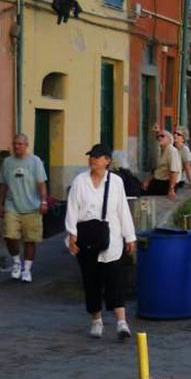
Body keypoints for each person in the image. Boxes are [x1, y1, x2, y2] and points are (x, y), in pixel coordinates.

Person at [65, 144, 137, 340]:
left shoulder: (115, 182)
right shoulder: (80, 181)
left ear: (107, 160)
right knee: (91, 280)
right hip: (86, 238)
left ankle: (121, 322)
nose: (93, 160)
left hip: (111, 237)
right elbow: (72, 208)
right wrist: (72, 234)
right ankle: (96, 320)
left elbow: (122, 209)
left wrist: (129, 236)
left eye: (97, 157)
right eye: (91, 156)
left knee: (115, 279)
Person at [0, 133, 49, 283]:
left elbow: (41, 183)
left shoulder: (35, 161)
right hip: (12, 204)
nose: (17, 147)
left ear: (26, 146)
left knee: (30, 239)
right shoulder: (7, 162)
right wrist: (0, 204)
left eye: (20, 144)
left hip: (32, 206)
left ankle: (26, 269)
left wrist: (44, 201)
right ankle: (16, 263)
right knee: (9, 236)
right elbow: (3, 184)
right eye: (15, 144)